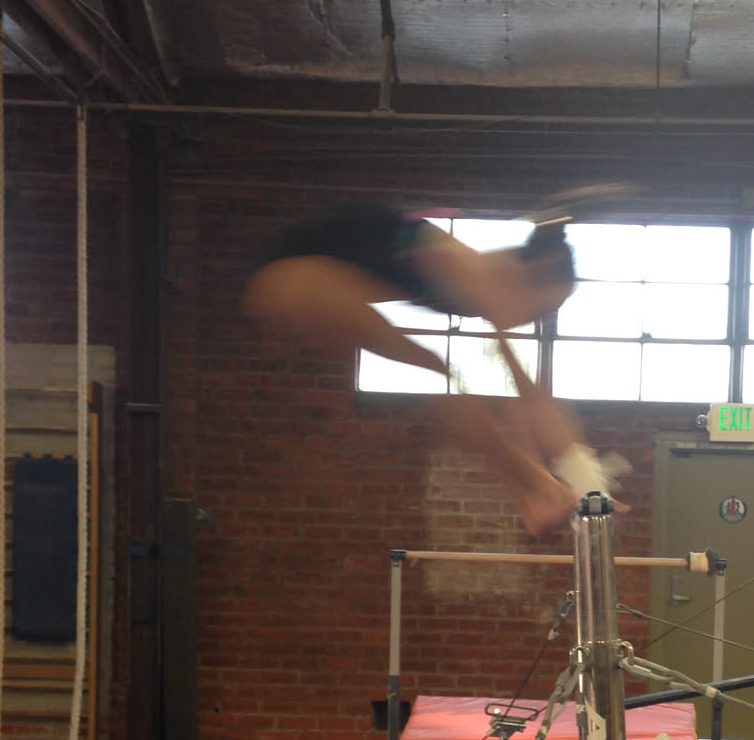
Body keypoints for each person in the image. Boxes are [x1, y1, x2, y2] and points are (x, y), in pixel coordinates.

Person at [241, 197, 625, 534]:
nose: (535, 321)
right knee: (439, 375)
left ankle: (536, 496)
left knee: (442, 376)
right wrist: (582, 484)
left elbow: (522, 403)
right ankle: (538, 495)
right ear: (535, 272)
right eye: (545, 309)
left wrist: (578, 483)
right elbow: (530, 399)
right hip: (292, 276)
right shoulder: (473, 274)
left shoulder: (478, 279)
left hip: (298, 278)